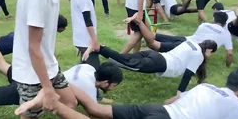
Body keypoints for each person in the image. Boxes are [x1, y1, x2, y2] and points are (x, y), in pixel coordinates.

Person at [11, 0, 77, 119]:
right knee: (31, 116)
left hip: (49, 65)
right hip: (31, 72)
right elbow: (33, 47)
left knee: (70, 102)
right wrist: (47, 88)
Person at [15, 68, 238, 119]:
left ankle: (54, 89)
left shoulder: (207, 87)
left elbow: (177, 100)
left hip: (159, 110)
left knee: (97, 109)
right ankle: (53, 101)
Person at [84, 38, 217, 98]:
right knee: (126, 61)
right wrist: (179, 94)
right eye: (212, 53)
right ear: (209, 50)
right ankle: (99, 48)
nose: (210, 56)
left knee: (126, 59)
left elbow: (170, 46)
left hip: (155, 55)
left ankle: (101, 49)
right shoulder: (199, 55)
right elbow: (188, 74)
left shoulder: (190, 42)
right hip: (161, 64)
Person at [126, 11, 234, 67]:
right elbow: (229, 54)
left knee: (154, 35)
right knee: (153, 44)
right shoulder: (226, 34)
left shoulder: (205, 25)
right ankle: (140, 22)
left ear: (214, 19)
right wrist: (227, 64)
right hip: (189, 46)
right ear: (224, 23)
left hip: (184, 39)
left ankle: (141, 23)